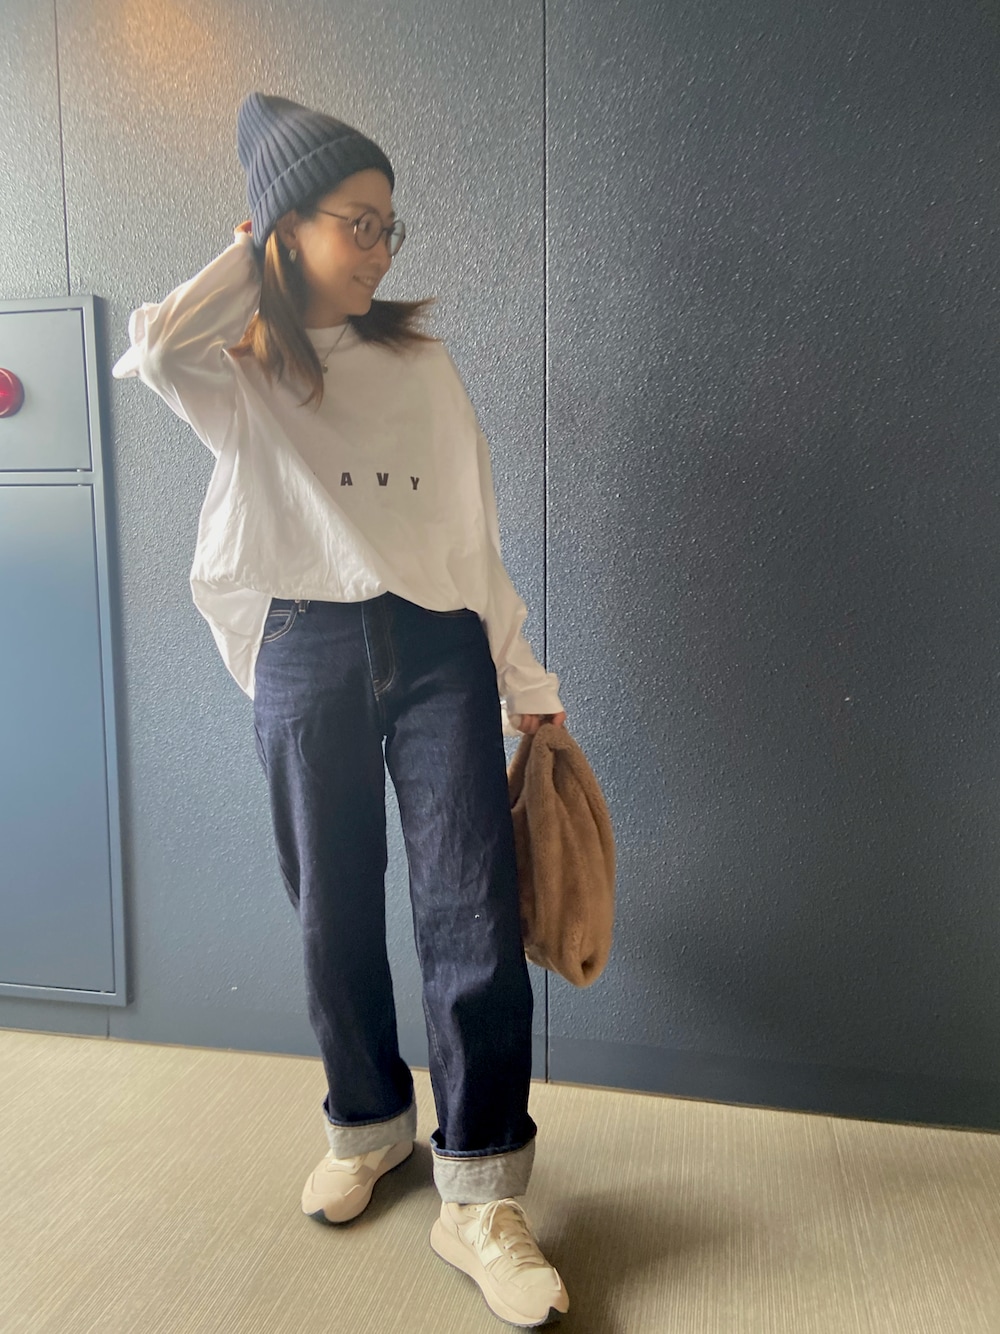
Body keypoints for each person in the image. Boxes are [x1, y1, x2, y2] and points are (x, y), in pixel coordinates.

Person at [112, 92, 570, 1328]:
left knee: (470, 907)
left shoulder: (420, 363)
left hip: (436, 646)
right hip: (304, 644)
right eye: (354, 221)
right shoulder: (240, 366)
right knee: (331, 906)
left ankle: (480, 1192)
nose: (378, 248)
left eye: (387, 226)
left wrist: (527, 685)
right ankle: (367, 1123)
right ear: (284, 224)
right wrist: (254, 247)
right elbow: (156, 346)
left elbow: (470, 536)